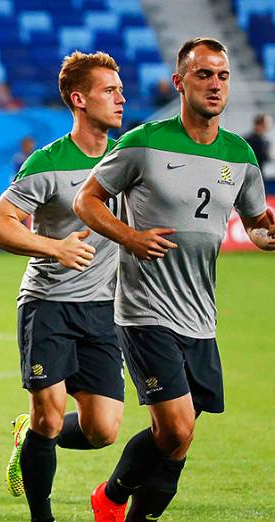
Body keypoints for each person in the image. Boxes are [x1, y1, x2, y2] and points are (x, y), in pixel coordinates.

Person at [76, 37, 275, 522]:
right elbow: (87, 200)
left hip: (201, 316)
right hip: (146, 311)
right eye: (203, 74)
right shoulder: (144, 142)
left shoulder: (240, 155)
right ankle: (111, 499)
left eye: (222, 76)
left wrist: (264, 232)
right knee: (177, 426)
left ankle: (114, 496)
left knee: (177, 439)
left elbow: (253, 221)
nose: (214, 85)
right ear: (179, 82)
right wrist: (130, 237)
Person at [0, 51, 126, 522]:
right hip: (49, 303)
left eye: (120, 88)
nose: (121, 97)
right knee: (49, 413)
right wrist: (54, 248)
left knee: (103, 429)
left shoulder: (129, 160)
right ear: (79, 99)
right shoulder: (47, 162)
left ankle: (29, 438)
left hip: (105, 308)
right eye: (109, 90)